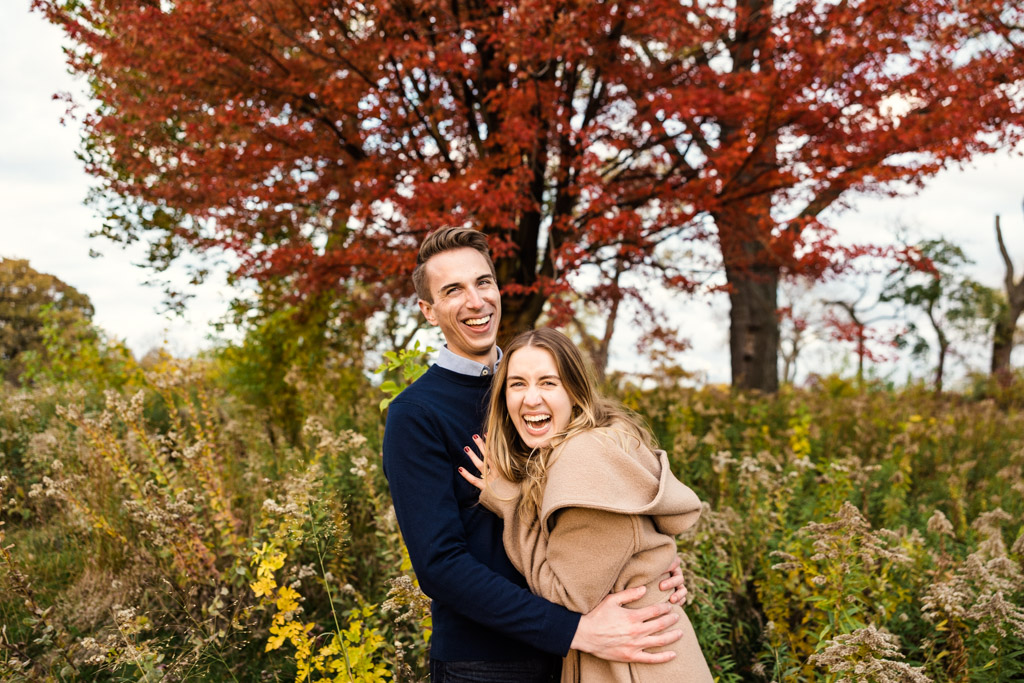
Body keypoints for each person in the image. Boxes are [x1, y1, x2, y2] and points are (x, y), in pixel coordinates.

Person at [382, 227, 690, 681]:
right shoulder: (415, 414)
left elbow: (599, 498)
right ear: (428, 311)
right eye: (452, 290)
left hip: (578, 653)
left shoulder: (540, 384)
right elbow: (440, 566)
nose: (475, 300)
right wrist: (574, 631)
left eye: (483, 282)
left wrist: (655, 568)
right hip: (488, 662)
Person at [458, 327, 714, 683]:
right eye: (517, 384)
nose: (531, 399)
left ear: (575, 392)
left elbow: (567, 597)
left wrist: (510, 503)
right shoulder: (590, 447)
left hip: (635, 667)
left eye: (548, 382)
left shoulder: (583, 458)